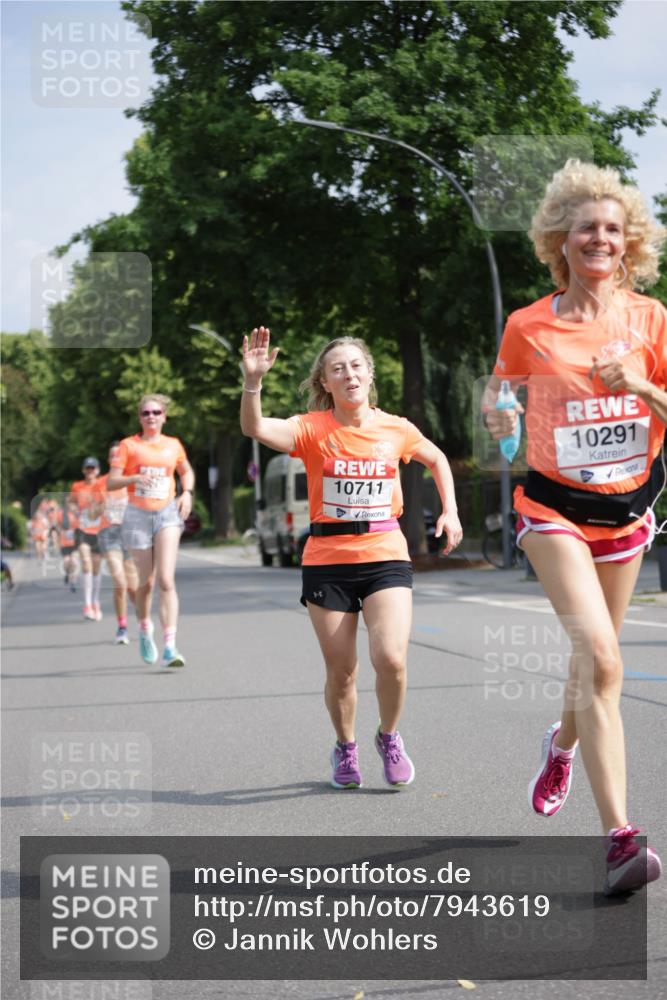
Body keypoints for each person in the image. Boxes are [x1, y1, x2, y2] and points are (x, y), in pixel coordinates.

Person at [482, 159, 666, 894]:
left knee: (594, 665)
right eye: (585, 227)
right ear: (559, 239)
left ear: (629, 243)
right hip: (553, 506)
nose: (599, 238)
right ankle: (620, 839)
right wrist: (500, 425)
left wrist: (643, 385)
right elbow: (502, 398)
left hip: (626, 509)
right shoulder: (528, 323)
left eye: (612, 229)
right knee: (601, 658)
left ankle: (560, 745)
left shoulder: (653, 320)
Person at [241, 328, 462, 789]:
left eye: (356, 365)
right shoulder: (311, 428)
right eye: (337, 368)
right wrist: (253, 383)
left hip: (385, 553)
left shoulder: (396, 428)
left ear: (369, 373)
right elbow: (256, 428)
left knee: (392, 659)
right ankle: (345, 746)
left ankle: (389, 735)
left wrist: (451, 511)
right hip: (328, 559)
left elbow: (437, 459)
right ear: (325, 382)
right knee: (342, 673)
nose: (349, 374)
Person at [107, 394, 195, 668]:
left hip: (167, 513)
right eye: (146, 413)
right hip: (137, 515)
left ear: (164, 416)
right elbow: (111, 482)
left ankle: (170, 646)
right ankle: (145, 629)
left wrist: (187, 492)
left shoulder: (173, 445)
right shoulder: (128, 446)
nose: (151, 417)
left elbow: (186, 471)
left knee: (166, 581)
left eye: (156, 412)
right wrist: (134, 477)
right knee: (146, 582)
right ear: (140, 417)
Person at [97, 442, 139, 645]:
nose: (115, 459)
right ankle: (122, 627)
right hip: (109, 534)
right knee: (120, 583)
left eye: (118, 456)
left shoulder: (133, 480)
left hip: (130, 534)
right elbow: (90, 514)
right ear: (109, 460)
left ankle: (143, 620)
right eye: (112, 456)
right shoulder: (101, 483)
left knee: (133, 587)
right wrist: (99, 507)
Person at [70, 458, 105, 620]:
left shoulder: (102, 485)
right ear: (84, 470)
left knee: (96, 566)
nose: (90, 471)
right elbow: (70, 503)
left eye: (93, 468)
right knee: (86, 561)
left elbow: (108, 504)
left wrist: (98, 508)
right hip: (82, 528)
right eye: (87, 468)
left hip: (98, 530)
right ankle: (87, 604)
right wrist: (76, 509)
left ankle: (96, 601)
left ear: (97, 470)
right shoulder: (77, 486)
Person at [59, 500, 80, 592]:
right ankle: (67, 573)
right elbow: (57, 527)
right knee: (67, 562)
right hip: (64, 542)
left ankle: (73, 582)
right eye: (69, 504)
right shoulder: (61, 514)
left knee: (74, 561)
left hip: (76, 542)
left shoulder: (79, 514)